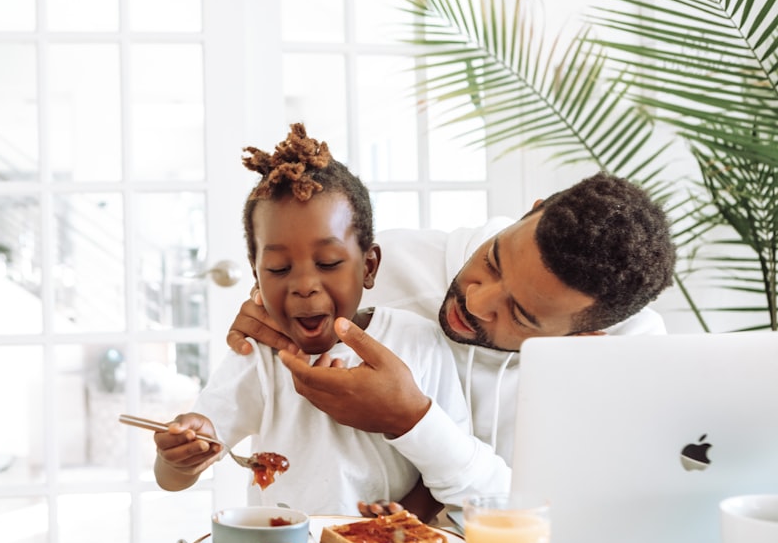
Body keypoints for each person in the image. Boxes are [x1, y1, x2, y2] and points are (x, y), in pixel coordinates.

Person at [228, 172, 677, 521]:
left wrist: (411, 421)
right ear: (529, 213)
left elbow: (540, 521)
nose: (475, 300)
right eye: (493, 261)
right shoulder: (385, 266)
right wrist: (264, 311)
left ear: (582, 341)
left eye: (519, 314)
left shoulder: (626, 364)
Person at [151, 123, 477, 516]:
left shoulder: (419, 341)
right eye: (277, 268)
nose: (304, 285)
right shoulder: (261, 355)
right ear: (255, 276)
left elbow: (449, 463)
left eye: (328, 263)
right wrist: (178, 458)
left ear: (369, 267)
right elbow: (178, 472)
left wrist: (397, 523)